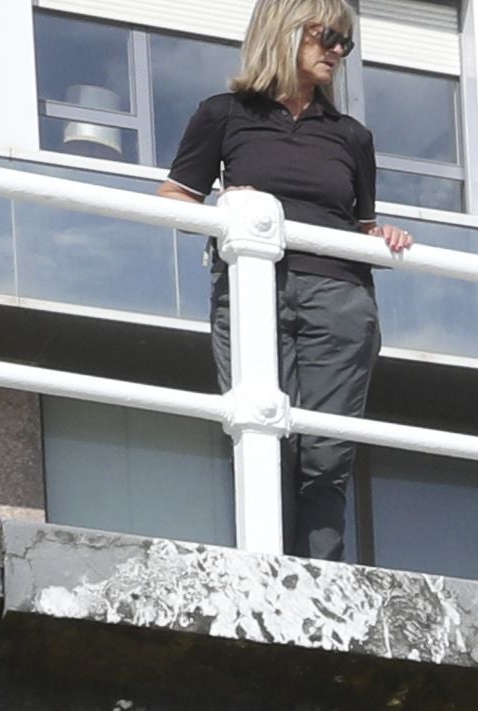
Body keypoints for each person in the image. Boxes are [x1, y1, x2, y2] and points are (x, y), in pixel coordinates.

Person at [160, 0, 406, 567]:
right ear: (285, 32)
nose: (338, 52)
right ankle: (266, 575)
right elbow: (176, 199)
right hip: (250, 292)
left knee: (325, 457)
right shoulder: (223, 114)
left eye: (345, 42)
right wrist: (227, 205)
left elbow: (361, 223)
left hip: (339, 299)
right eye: (328, 37)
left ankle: (319, 583)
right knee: (267, 446)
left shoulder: (352, 136)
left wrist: (382, 232)